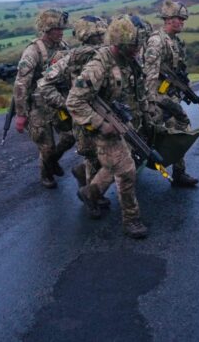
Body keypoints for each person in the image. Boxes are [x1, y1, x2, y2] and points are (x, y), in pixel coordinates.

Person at [66, 15, 154, 239]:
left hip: (121, 122)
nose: (139, 49)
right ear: (121, 41)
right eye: (135, 45)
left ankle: (90, 192)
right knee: (126, 171)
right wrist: (101, 124)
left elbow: (137, 91)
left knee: (120, 165)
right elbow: (74, 101)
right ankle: (131, 220)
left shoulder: (130, 61)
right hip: (100, 127)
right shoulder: (99, 64)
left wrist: (145, 115)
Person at [36, 15, 108, 196]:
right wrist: (67, 105)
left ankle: (87, 183)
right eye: (97, 36)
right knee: (92, 155)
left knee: (107, 154)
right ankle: (92, 196)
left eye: (102, 35)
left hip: (106, 111)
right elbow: (44, 83)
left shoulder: (106, 54)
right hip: (83, 116)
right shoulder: (71, 57)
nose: (101, 39)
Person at [13, 9, 74, 189]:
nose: (61, 31)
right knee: (46, 147)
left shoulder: (64, 47)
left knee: (70, 137)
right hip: (38, 107)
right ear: (46, 29)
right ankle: (46, 173)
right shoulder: (33, 51)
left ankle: (52, 161)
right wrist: (21, 114)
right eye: (57, 28)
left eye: (62, 28)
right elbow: (21, 84)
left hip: (57, 102)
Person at [142, 0, 199, 187]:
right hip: (157, 99)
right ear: (167, 19)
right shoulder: (156, 41)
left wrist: (188, 89)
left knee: (181, 131)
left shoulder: (175, 42)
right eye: (178, 18)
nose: (182, 22)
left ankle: (179, 173)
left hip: (170, 98)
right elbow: (150, 74)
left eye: (183, 19)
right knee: (144, 136)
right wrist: (150, 103)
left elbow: (180, 71)